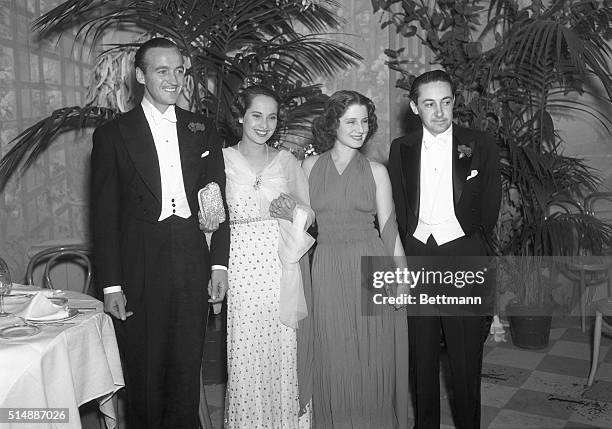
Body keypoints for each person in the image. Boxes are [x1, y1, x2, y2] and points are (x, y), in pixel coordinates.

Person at [90, 37, 230, 428]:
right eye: (162, 70)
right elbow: (103, 217)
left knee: (187, 372)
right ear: (140, 75)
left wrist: (219, 265)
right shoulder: (113, 135)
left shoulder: (201, 129)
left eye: (180, 70)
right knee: (145, 375)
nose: (174, 79)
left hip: (190, 256)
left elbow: (217, 201)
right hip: (139, 263)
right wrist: (112, 286)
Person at [387, 69, 501, 429]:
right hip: (418, 255)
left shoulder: (478, 143)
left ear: (454, 103)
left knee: (465, 358)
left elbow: (490, 208)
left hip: (462, 256)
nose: (439, 112)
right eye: (429, 104)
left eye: (446, 102)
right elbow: (398, 206)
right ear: (414, 107)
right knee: (420, 360)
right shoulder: (399, 149)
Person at [301, 90, 409, 428]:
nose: (360, 128)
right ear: (333, 124)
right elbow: (299, 225)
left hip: (370, 261)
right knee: (333, 351)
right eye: (351, 121)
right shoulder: (309, 166)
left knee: (373, 351)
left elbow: (390, 229)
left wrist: (402, 278)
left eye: (365, 121)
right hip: (328, 266)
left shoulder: (377, 171)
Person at [220, 85, 314, 428]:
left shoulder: (287, 160)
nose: (264, 124)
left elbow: (311, 214)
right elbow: (212, 216)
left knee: (283, 348)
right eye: (256, 115)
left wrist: (294, 210)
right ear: (241, 116)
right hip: (240, 263)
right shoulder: (222, 159)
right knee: (245, 351)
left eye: (272, 117)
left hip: (280, 264)